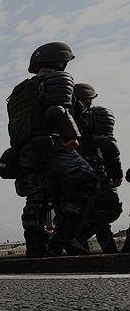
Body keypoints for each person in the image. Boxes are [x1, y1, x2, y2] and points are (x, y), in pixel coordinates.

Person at [7, 42, 96, 256]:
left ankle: (35, 247)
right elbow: (57, 110)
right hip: (53, 144)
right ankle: (64, 234)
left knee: (37, 197)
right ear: (59, 61)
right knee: (87, 180)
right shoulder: (58, 78)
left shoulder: (20, 90)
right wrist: (71, 135)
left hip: (26, 150)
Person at [73, 83, 122, 253]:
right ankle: (76, 240)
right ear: (88, 99)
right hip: (94, 171)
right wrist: (115, 173)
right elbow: (108, 145)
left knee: (87, 214)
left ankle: (102, 253)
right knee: (109, 208)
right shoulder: (95, 115)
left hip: (69, 174)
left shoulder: (62, 119)